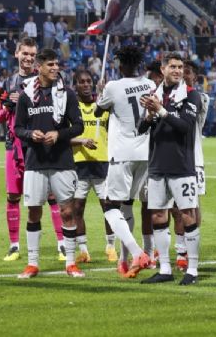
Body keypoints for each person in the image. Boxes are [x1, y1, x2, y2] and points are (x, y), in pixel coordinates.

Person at [14, 48, 84, 279]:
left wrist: (59, 134)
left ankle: (71, 263)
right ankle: (32, 264)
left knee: (67, 212)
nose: (55, 68)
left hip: (62, 161)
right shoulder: (26, 95)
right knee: (34, 212)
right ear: (39, 68)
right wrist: (30, 134)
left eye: (57, 65)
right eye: (50, 65)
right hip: (36, 162)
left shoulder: (67, 94)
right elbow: (18, 128)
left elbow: (78, 126)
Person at [0, 37, 67, 262]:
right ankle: (14, 246)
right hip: (13, 144)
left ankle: (62, 244)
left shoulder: (46, 81)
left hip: (39, 144)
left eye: (31, 54)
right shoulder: (7, 84)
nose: (27, 58)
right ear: (16, 54)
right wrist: (7, 105)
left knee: (52, 195)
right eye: (23, 53)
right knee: (13, 195)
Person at [138, 53, 202, 286]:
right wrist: (148, 115)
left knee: (187, 215)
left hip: (181, 166)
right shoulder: (154, 94)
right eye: (172, 66)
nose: (177, 70)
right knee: (157, 215)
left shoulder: (191, 95)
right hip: (157, 164)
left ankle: (192, 269)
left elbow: (185, 126)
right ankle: (165, 268)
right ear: (163, 69)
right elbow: (140, 128)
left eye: (180, 67)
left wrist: (162, 111)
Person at [96, 45, 156, 278]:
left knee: (110, 207)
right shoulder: (150, 84)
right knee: (128, 205)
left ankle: (137, 252)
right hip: (145, 153)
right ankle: (123, 260)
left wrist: (101, 91)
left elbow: (100, 111)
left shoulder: (113, 86)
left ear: (120, 65)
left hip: (121, 153)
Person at [70, 70, 115, 263]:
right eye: (82, 82)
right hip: (79, 164)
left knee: (108, 208)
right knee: (77, 208)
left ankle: (111, 247)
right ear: (76, 86)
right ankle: (83, 251)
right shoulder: (72, 109)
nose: (86, 84)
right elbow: (63, 137)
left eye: (89, 81)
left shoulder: (102, 107)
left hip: (102, 163)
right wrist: (80, 141)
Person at [173, 59, 209, 270]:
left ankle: (187, 249)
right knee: (172, 207)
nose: (182, 75)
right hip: (171, 157)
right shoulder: (169, 94)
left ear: (194, 77)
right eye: (179, 71)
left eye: (187, 72)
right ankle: (181, 247)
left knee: (191, 205)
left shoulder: (200, 98)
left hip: (193, 159)